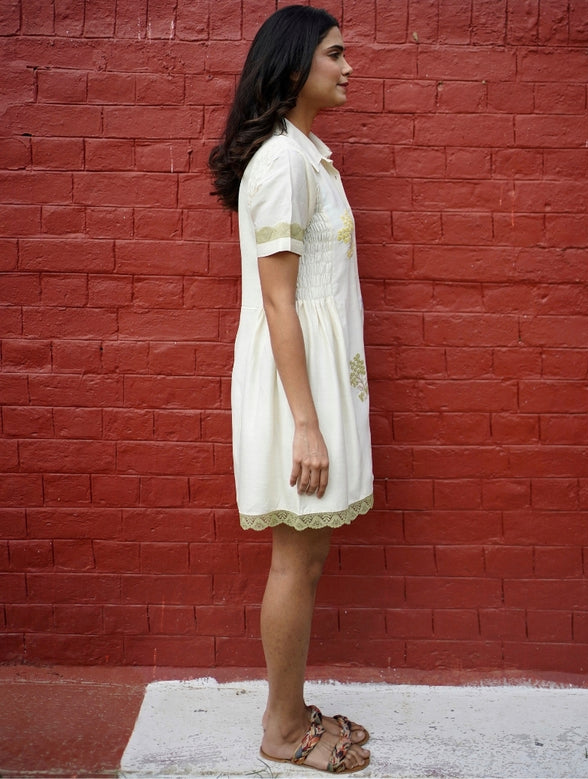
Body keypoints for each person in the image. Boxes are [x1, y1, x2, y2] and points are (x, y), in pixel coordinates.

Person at [209, 5, 374, 774]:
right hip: (292, 391)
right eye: (335, 55)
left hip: (312, 382)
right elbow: (278, 301)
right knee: (293, 559)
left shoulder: (307, 152)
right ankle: (279, 730)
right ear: (295, 63)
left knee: (308, 558)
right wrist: (305, 424)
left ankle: (290, 705)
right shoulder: (281, 162)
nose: (349, 68)